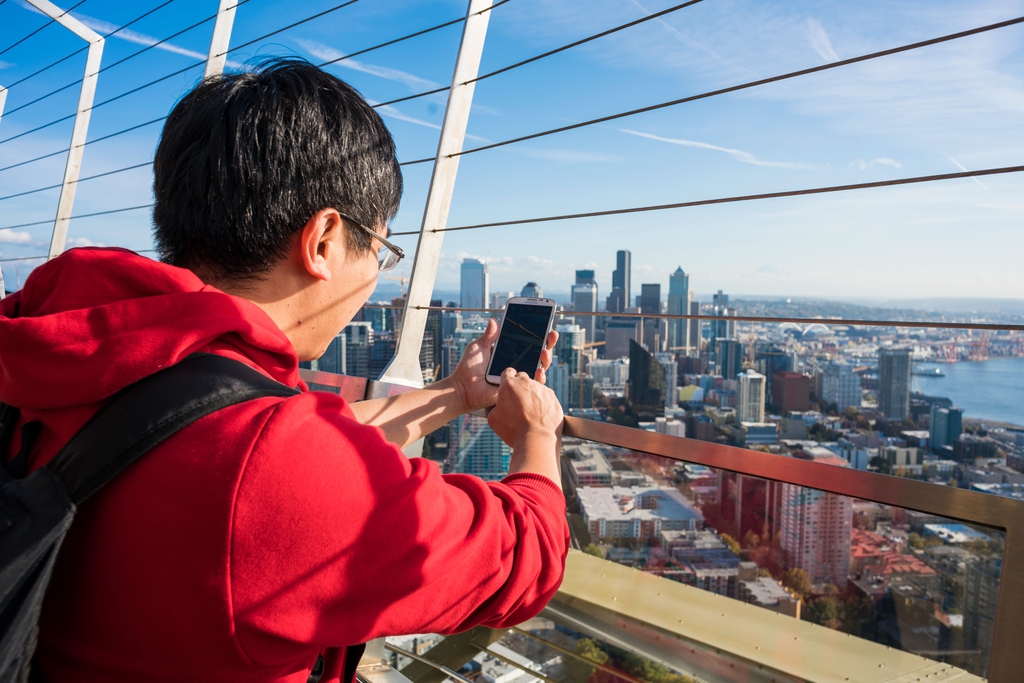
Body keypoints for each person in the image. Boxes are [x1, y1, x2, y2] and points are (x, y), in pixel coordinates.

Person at [0, 58, 568, 682]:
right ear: (324, 239)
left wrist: (456, 394)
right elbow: (525, 558)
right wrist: (537, 434)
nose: (377, 271)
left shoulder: (56, 335)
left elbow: (249, 442)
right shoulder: (268, 467)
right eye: (380, 247)